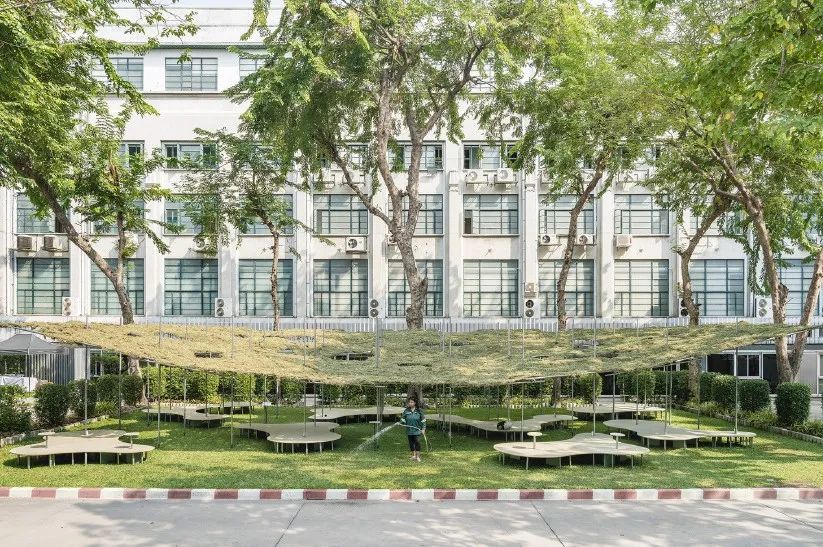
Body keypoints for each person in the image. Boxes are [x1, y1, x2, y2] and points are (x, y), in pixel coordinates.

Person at [399, 395, 426, 462]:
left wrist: (423, 429)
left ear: (415, 403)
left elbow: (423, 420)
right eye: (409, 402)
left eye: (411, 402)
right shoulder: (406, 411)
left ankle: (418, 457)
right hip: (409, 431)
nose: (410, 403)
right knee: (411, 443)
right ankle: (413, 456)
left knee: (417, 443)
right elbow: (403, 419)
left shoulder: (419, 411)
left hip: (417, 430)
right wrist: (401, 423)